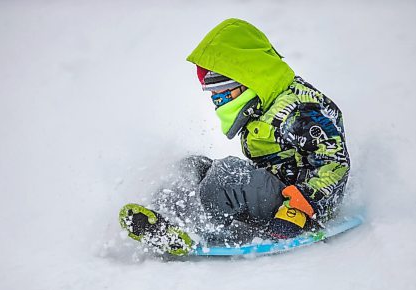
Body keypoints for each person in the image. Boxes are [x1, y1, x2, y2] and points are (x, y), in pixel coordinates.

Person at [119, 18, 350, 253]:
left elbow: (334, 161)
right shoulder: (265, 104)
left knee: (226, 175)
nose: (217, 100)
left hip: (301, 206)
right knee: (194, 165)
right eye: (213, 94)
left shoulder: (299, 109)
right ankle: (163, 216)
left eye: (221, 92)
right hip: (275, 188)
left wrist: (298, 208)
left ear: (248, 81)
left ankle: (195, 230)